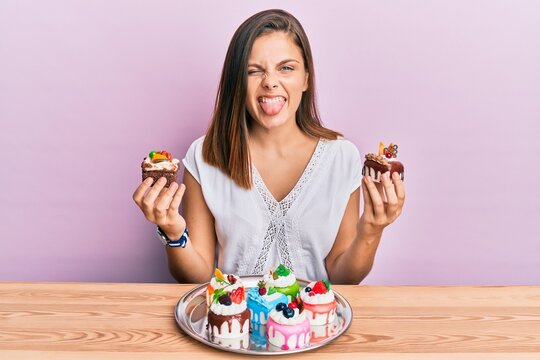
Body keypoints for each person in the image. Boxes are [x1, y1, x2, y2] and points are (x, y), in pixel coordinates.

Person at [132, 9, 405, 284]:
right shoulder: (205, 156)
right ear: (236, 82)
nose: (270, 82)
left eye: (286, 68)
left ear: (306, 78)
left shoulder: (342, 157)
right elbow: (197, 276)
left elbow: (343, 276)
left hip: (313, 321)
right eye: (253, 71)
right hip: (235, 320)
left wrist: (372, 229)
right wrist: (172, 232)